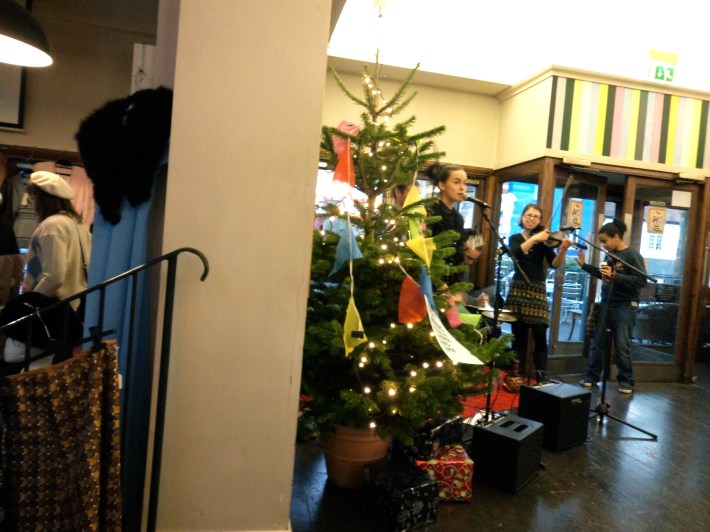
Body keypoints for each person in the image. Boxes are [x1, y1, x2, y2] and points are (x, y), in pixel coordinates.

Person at [2, 171, 91, 369]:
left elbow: (54, 276)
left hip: (48, 310)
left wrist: (29, 306)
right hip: (68, 308)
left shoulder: (52, 226)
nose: (30, 204)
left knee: (25, 369)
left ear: (43, 199)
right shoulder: (78, 225)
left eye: (32, 198)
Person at [576, 218, 647, 394]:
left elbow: (641, 280)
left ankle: (626, 381)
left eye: (605, 241)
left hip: (625, 305)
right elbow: (605, 276)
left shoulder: (632, 255)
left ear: (616, 237)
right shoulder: (610, 255)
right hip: (607, 302)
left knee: (622, 345)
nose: (603, 245)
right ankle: (591, 376)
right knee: (598, 342)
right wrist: (584, 266)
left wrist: (615, 275)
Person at [506, 203, 571, 378]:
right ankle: (516, 375)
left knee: (540, 335)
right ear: (522, 217)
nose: (531, 219)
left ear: (540, 220)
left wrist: (563, 249)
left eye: (536, 217)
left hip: (537, 289)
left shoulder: (544, 241)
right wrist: (535, 239)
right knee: (518, 337)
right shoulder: (515, 238)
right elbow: (516, 254)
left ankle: (542, 376)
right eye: (528, 215)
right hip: (518, 289)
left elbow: (554, 264)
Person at [424, 163, 468, 281]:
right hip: (431, 279)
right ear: (442, 185)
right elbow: (424, 252)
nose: (462, 188)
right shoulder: (429, 211)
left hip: (453, 281)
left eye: (465, 183)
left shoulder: (458, 218)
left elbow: (459, 254)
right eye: (456, 182)